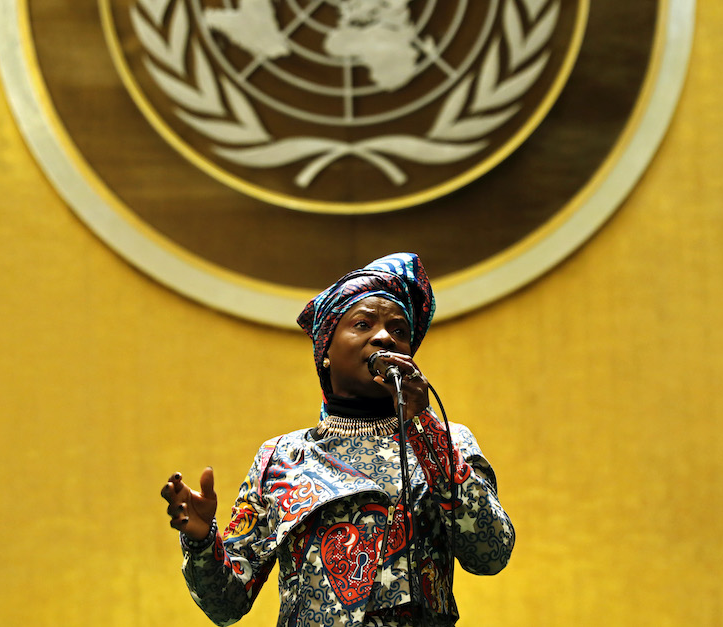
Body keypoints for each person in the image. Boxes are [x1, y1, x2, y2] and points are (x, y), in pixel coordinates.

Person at [161, 253, 514, 626]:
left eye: (399, 331)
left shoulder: (448, 440)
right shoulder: (282, 457)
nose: (383, 338)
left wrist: (424, 429)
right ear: (325, 350)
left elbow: (490, 555)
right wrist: (202, 541)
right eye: (363, 324)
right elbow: (226, 605)